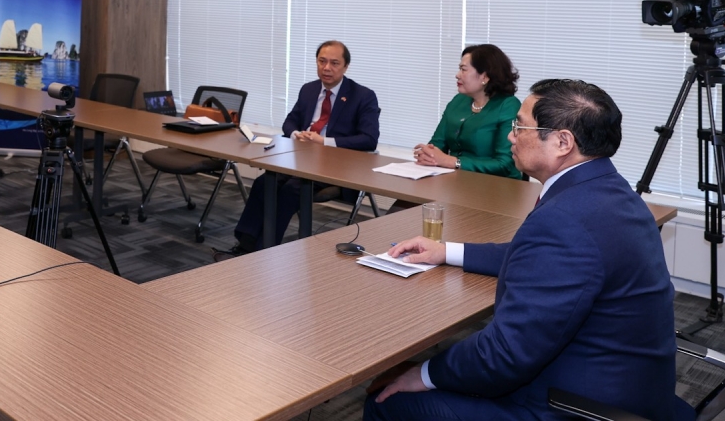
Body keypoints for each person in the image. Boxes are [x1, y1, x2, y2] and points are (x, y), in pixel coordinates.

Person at [366, 79, 677, 421]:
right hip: (631, 386)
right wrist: (446, 251)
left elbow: (503, 356)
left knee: (387, 402)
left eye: (520, 127)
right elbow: (538, 258)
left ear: (562, 142)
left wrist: (424, 374)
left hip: (573, 406)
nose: (510, 137)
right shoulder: (611, 192)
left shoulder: (565, 221)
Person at [221, 40, 381, 257]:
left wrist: (324, 141)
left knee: (292, 189)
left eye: (334, 63)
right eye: (322, 61)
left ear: (346, 67)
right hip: (301, 157)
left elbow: (369, 139)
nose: (326, 68)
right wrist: (297, 134)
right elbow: (289, 122)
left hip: (336, 164)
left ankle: (264, 251)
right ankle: (245, 245)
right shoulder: (309, 89)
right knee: (264, 183)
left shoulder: (363, 96)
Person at [413, 43, 523, 179]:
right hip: (455, 181)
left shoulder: (508, 106)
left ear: (484, 77)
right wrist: (428, 154)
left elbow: (505, 164)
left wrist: (453, 162)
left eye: (463, 70)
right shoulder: (458, 101)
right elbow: (437, 144)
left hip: (497, 185)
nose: (457, 75)